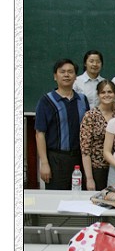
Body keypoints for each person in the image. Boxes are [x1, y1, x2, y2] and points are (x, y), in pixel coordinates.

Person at [35, 59, 90, 190]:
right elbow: (39, 134)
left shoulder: (82, 100)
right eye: (62, 72)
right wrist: (44, 163)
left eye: (70, 72)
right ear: (55, 76)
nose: (66, 75)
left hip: (80, 159)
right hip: (56, 159)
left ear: (75, 77)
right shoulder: (46, 101)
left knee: (79, 199)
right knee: (56, 199)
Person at [80, 80, 115, 191]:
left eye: (110, 92)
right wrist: (89, 178)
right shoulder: (90, 116)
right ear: (98, 95)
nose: (107, 95)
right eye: (103, 92)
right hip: (96, 169)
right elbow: (85, 150)